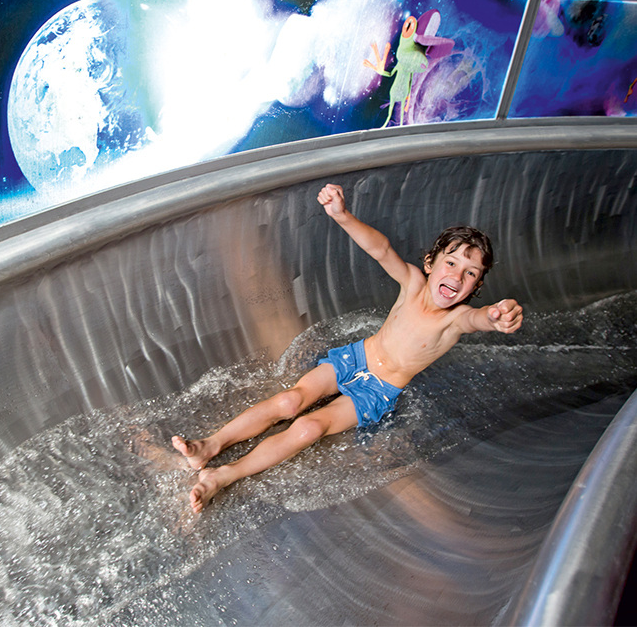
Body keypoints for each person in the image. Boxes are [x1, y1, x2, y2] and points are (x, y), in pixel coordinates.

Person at [173, 183, 523, 513]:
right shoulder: (414, 283)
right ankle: (209, 446)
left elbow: (476, 320)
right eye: (451, 263)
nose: (457, 278)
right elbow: (381, 250)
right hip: (356, 357)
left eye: (470, 274)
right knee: (289, 401)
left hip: (377, 391)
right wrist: (342, 215)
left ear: (476, 286)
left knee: (309, 428)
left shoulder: (455, 319)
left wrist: (495, 317)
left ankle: (222, 476)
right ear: (431, 263)